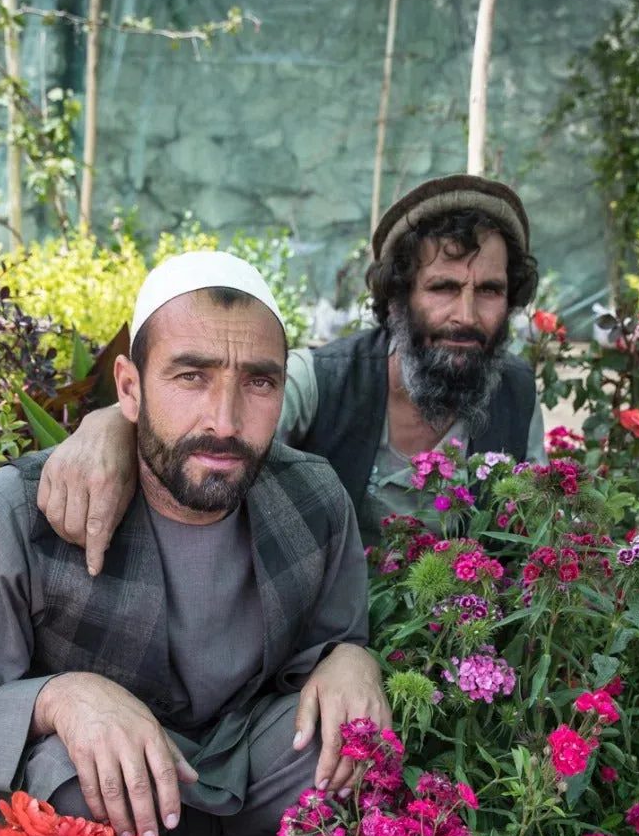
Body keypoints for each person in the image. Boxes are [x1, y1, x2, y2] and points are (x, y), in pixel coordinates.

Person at [0, 251, 390, 836]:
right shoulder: (17, 511)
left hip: (244, 775)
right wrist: (59, 698)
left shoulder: (311, 496)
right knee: (73, 775)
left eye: (257, 382)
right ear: (130, 389)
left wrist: (351, 657)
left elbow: (333, 642)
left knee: (347, 741)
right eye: (190, 376)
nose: (224, 420)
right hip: (101, 823)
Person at [37, 174, 546, 564]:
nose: (465, 315)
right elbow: (208, 428)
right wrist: (107, 425)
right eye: (442, 288)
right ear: (397, 297)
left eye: (489, 291)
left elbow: (535, 540)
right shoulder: (320, 381)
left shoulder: (517, 397)